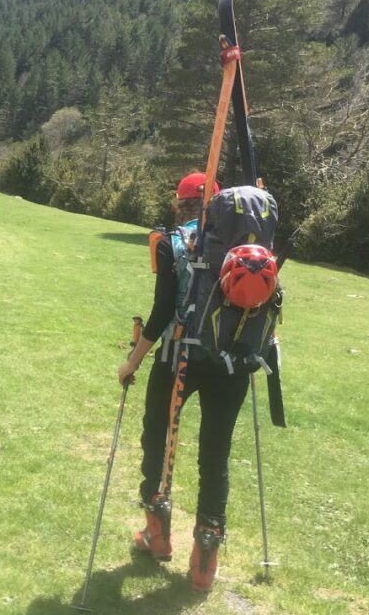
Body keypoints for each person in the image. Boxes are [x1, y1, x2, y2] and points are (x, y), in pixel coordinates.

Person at [117, 170, 249, 592]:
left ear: (180, 204)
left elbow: (159, 315)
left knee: (158, 437)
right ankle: (202, 567)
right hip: (232, 363)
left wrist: (132, 363)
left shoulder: (173, 241)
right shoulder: (244, 244)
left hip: (180, 354)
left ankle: (157, 537)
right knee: (216, 454)